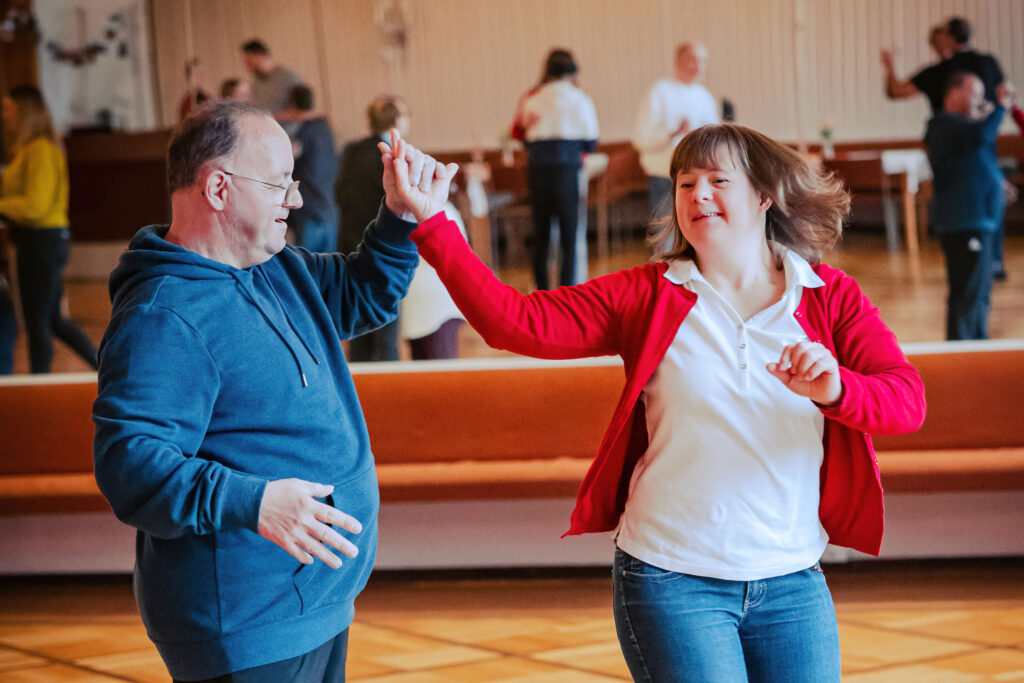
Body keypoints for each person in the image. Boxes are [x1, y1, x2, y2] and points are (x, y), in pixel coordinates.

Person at [381, 123, 926, 682]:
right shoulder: (648, 293)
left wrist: (837, 388)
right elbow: (512, 322)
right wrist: (435, 221)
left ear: (764, 195)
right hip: (672, 579)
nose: (698, 194)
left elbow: (907, 402)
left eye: (717, 180)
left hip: (792, 579)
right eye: (685, 183)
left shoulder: (829, 296)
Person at [92, 100, 421, 682]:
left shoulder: (276, 266)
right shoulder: (162, 315)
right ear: (218, 188)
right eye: (277, 183)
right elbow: (130, 466)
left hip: (315, 601)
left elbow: (362, 295)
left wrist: (398, 215)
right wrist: (254, 502)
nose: (294, 200)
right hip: (245, 626)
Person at [881, 16, 1008, 279]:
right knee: (990, 200)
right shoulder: (988, 63)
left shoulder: (938, 73)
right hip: (984, 148)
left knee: (960, 209)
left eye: (935, 39)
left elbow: (896, 91)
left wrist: (889, 66)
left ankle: (969, 263)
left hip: (952, 152)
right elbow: (1002, 95)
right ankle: (992, 261)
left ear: (949, 39)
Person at [0, 85, 97, 373]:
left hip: (41, 241)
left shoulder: (40, 151)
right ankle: (103, 367)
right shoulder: (28, 151)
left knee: (38, 323)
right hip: (38, 240)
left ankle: (38, 382)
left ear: (25, 112)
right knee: (51, 321)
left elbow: (36, 206)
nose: (4, 115)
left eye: (8, 108)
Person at [924, 72, 1006, 341]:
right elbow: (980, 136)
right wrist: (1001, 107)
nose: (981, 100)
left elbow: (978, 159)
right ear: (954, 94)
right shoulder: (943, 124)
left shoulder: (963, 130)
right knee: (968, 293)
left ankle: (978, 346)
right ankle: (963, 351)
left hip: (979, 222)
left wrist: (999, 184)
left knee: (979, 291)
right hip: (964, 223)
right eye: (975, 94)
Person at [512, 49, 599, 290]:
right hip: (567, 169)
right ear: (572, 72)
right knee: (569, 235)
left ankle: (541, 289)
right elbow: (591, 141)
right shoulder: (580, 99)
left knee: (541, 233)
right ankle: (565, 290)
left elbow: (522, 136)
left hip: (538, 169)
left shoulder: (533, 98)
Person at [334, 95, 411, 361]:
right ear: (397, 121)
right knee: (386, 325)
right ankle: (389, 382)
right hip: (383, 249)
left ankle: (363, 381)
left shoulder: (351, 151)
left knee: (358, 323)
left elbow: (340, 195)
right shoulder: (394, 156)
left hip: (350, 245)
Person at [633, 42, 719, 218]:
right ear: (678, 61)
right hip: (665, 176)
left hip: (698, 177)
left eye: (703, 61)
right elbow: (640, 138)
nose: (698, 66)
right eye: (693, 59)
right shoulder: (660, 91)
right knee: (666, 228)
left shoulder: (705, 96)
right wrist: (673, 133)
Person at [279, 84, 339, 252]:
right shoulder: (324, 128)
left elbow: (283, 163)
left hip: (310, 211)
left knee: (306, 263)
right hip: (329, 208)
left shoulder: (303, 135)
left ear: (291, 105)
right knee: (327, 263)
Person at [241, 39, 303, 116]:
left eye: (249, 62)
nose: (247, 67)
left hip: (286, 124)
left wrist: (270, 118)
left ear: (260, 56)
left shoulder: (289, 78)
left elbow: (302, 113)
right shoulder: (255, 82)